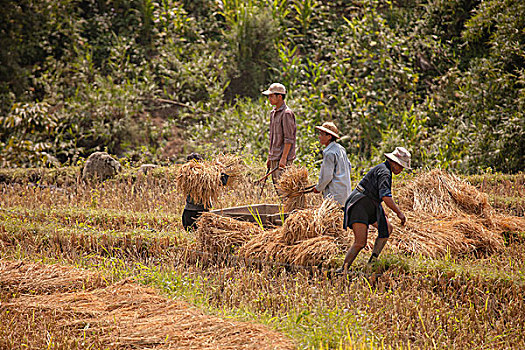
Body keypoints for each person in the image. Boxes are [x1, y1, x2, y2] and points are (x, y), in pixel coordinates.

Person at [337, 147, 411, 273]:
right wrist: (399, 213)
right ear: (394, 163)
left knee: (386, 229)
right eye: (400, 166)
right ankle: (343, 269)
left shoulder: (385, 170)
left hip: (371, 204)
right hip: (360, 204)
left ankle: (372, 262)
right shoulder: (385, 172)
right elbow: (386, 196)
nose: (401, 169)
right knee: (360, 242)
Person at [261, 83, 297, 190]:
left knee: (285, 191)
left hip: (282, 160)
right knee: (278, 190)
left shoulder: (286, 114)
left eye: (271, 96)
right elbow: (273, 138)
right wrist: (270, 157)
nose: (269, 98)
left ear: (280, 97)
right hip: (274, 157)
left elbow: (289, 139)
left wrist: (284, 158)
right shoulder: (273, 113)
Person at [182, 153, 229, 231]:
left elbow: (222, 182)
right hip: (201, 212)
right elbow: (223, 181)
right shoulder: (207, 175)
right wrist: (220, 169)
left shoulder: (186, 174)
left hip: (191, 212)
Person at [312, 122, 352, 206]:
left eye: (322, 134)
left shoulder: (329, 153)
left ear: (329, 137)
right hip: (345, 192)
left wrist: (318, 188)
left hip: (334, 195)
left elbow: (327, 176)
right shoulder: (341, 149)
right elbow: (349, 166)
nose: (319, 137)